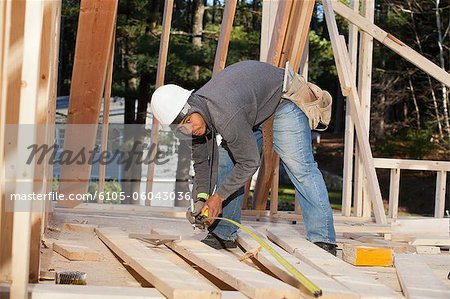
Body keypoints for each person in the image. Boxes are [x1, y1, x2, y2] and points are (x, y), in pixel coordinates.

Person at [151, 60, 336, 255]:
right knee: (226, 163)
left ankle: (323, 239)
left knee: (300, 168)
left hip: (281, 101)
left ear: (192, 105)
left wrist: (217, 198)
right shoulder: (197, 118)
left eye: (189, 121)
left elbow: (249, 162)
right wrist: (201, 199)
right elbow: (201, 164)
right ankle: (223, 234)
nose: (191, 129)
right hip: (250, 110)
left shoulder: (223, 113)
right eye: (183, 127)